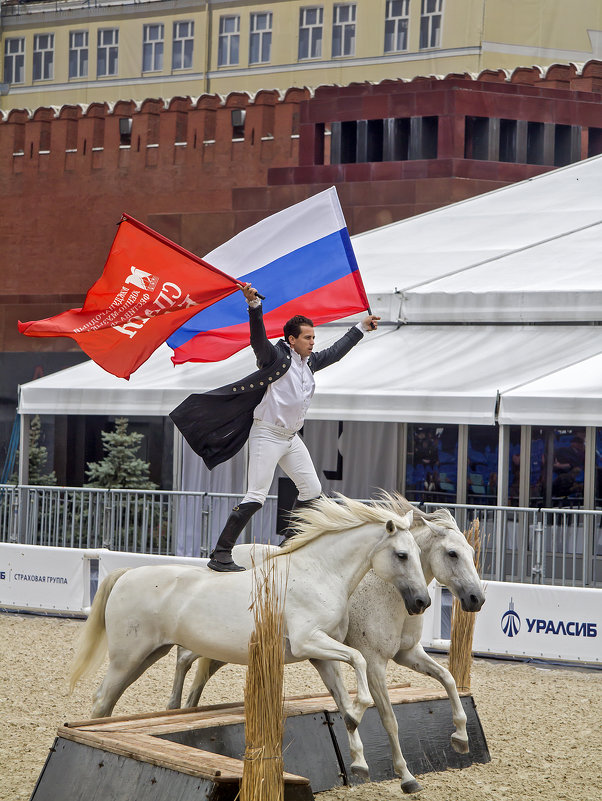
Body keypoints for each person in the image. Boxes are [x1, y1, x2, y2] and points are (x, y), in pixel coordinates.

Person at [170, 283, 380, 572]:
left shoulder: (310, 363)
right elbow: (258, 340)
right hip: (266, 434)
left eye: (314, 337)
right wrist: (254, 307)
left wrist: (361, 326)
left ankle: (288, 549)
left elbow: (336, 352)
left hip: (290, 438)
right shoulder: (276, 358)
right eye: (307, 337)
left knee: (311, 490)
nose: (312, 342)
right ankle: (220, 554)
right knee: (256, 495)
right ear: (291, 339)